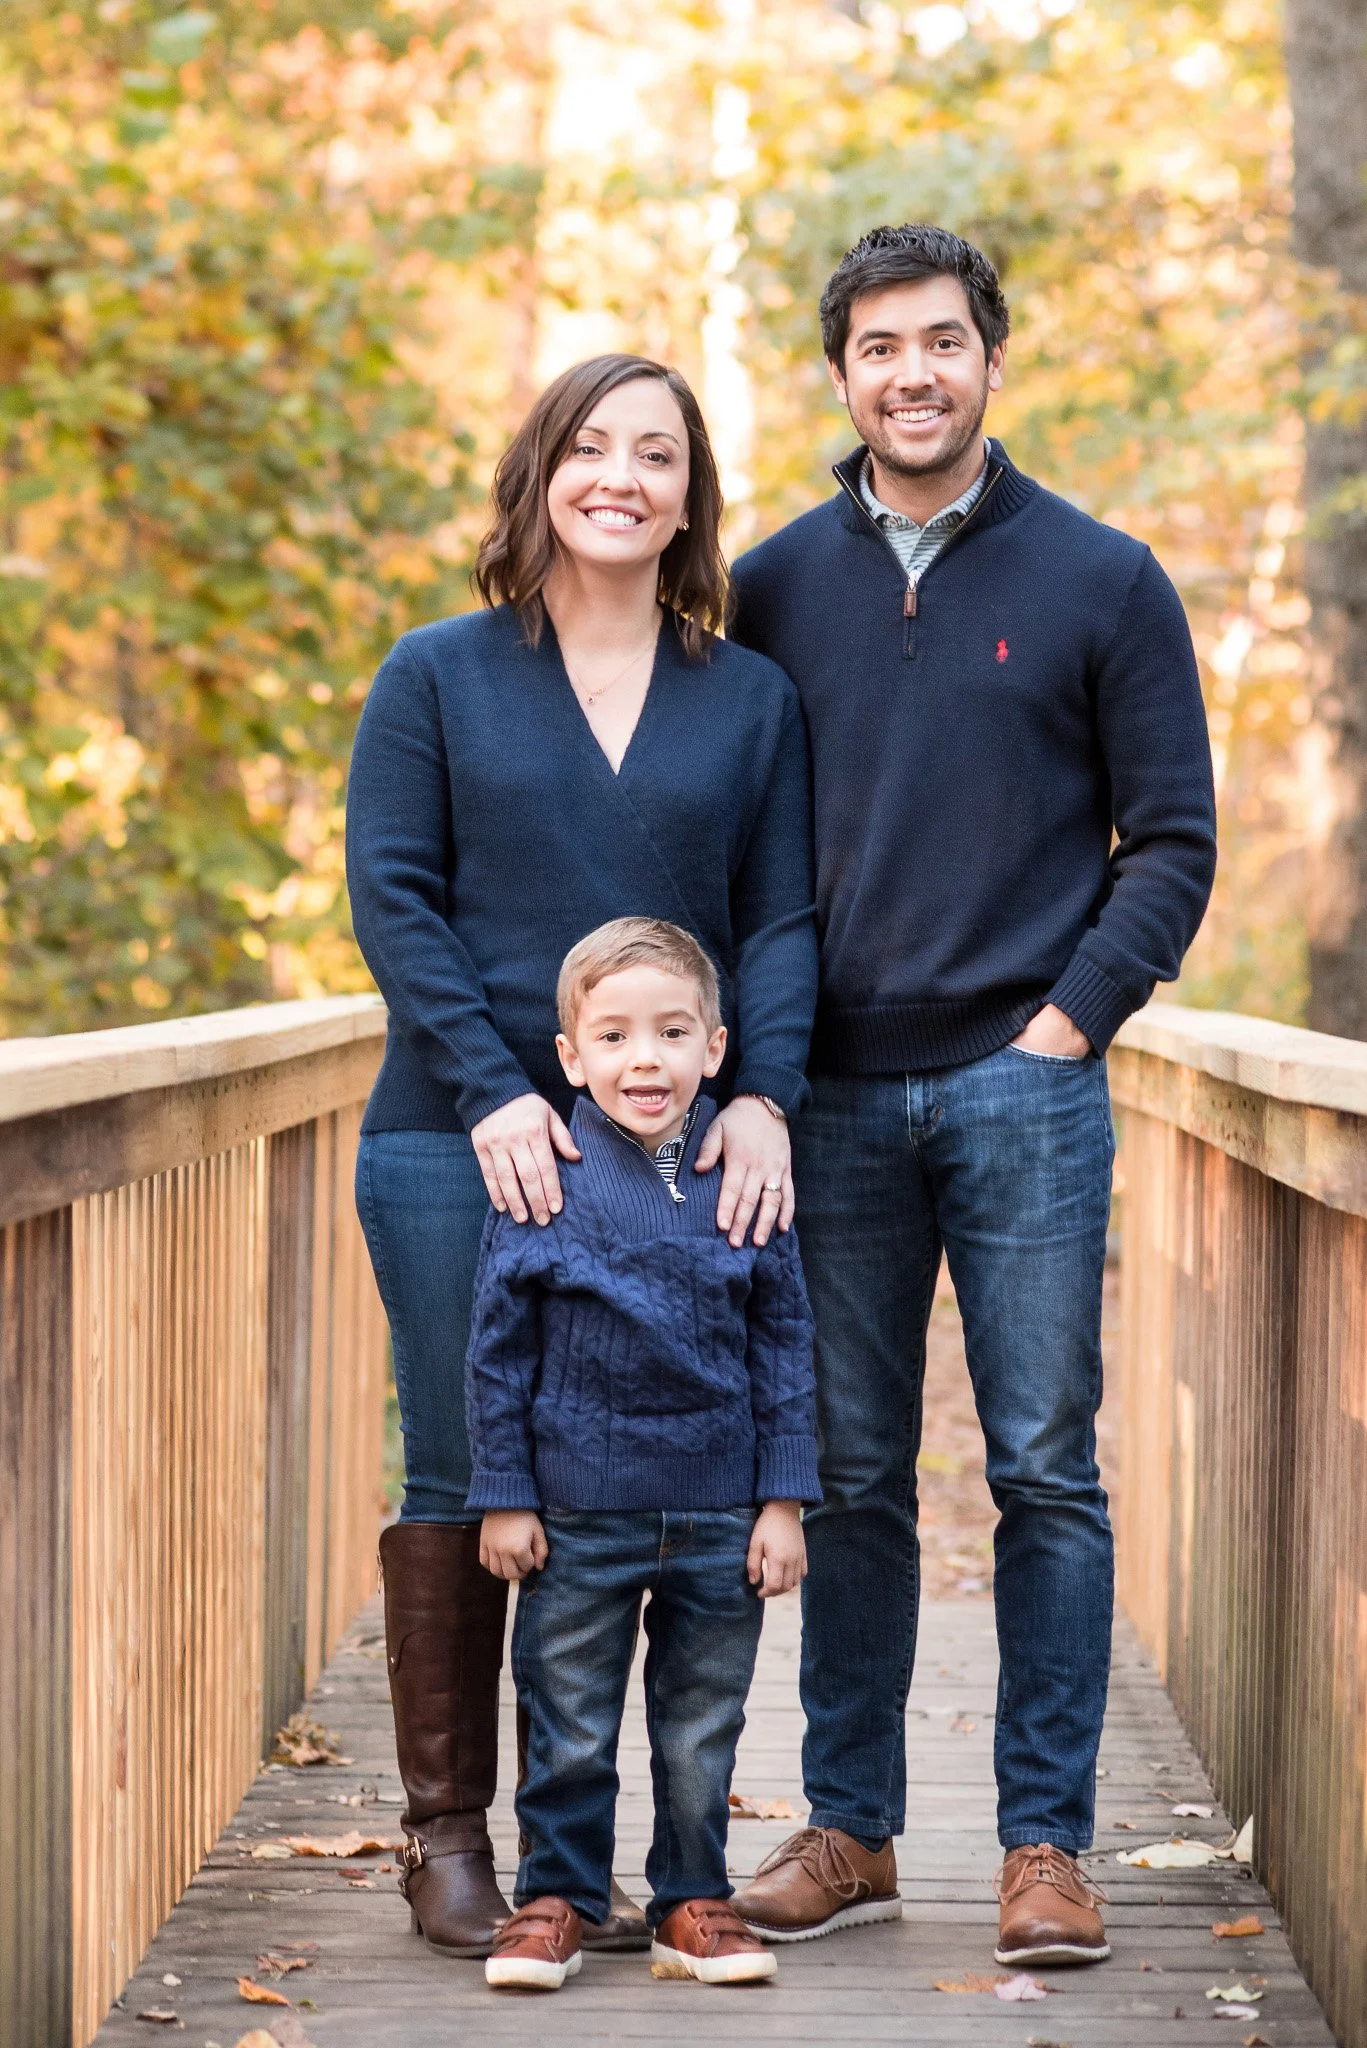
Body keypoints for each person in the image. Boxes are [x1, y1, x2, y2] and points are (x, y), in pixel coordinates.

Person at [727, 224, 1218, 1966]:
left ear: (989, 358)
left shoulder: (1102, 577)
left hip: (1024, 1087)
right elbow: (734, 835)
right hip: (833, 1099)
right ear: (841, 372)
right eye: (876, 346)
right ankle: (850, 1826)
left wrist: (1069, 1024)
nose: (910, 372)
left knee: (1042, 1473)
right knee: (848, 1472)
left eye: (941, 340)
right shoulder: (772, 585)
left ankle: (1042, 1847)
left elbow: (1169, 838)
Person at [345, 355, 817, 1958]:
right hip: (450, 1134)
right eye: (591, 446)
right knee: (457, 1460)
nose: (621, 474)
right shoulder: (436, 673)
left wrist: (760, 1096)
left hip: (672, 1148)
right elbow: (394, 895)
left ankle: (643, 1863)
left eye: (657, 454)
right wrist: (488, 1087)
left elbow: (780, 923)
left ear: (689, 496)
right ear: (539, 468)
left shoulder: (745, 697)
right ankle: (450, 1841)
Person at [467, 917, 820, 1992]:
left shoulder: (740, 1176)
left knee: (698, 1724)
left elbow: (784, 1338)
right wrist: (504, 1493)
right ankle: (558, 1896)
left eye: (672, 1032)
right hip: (576, 1510)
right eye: (614, 1036)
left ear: (715, 1047)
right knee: (568, 1715)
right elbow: (495, 1344)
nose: (645, 1058)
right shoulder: (548, 1179)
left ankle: (688, 1898)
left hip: (718, 1511)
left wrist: (783, 1499)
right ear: (569, 1056)